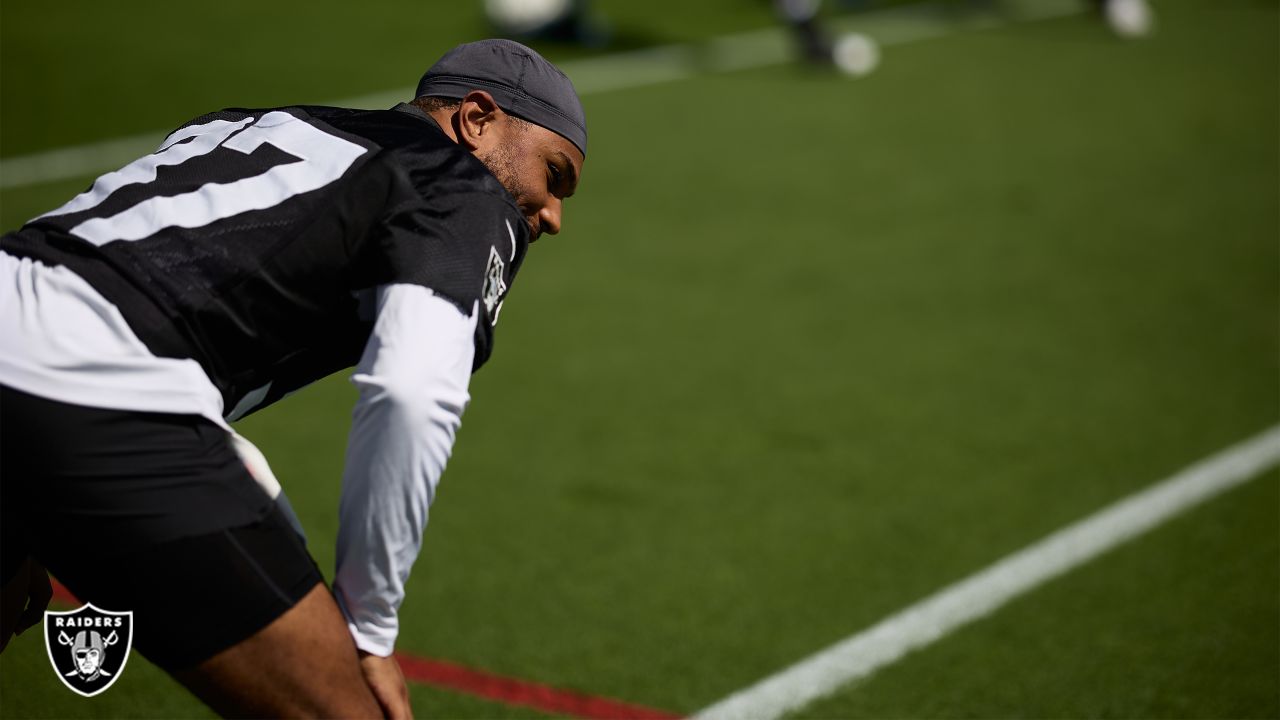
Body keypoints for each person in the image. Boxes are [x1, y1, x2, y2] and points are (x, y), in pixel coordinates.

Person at [0, 38, 585, 718]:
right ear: (477, 121)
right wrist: (366, 631)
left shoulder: (254, 124)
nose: (553, 216)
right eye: (555, 174)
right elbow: (412, 392)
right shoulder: (460, 183)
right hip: (90, 378)